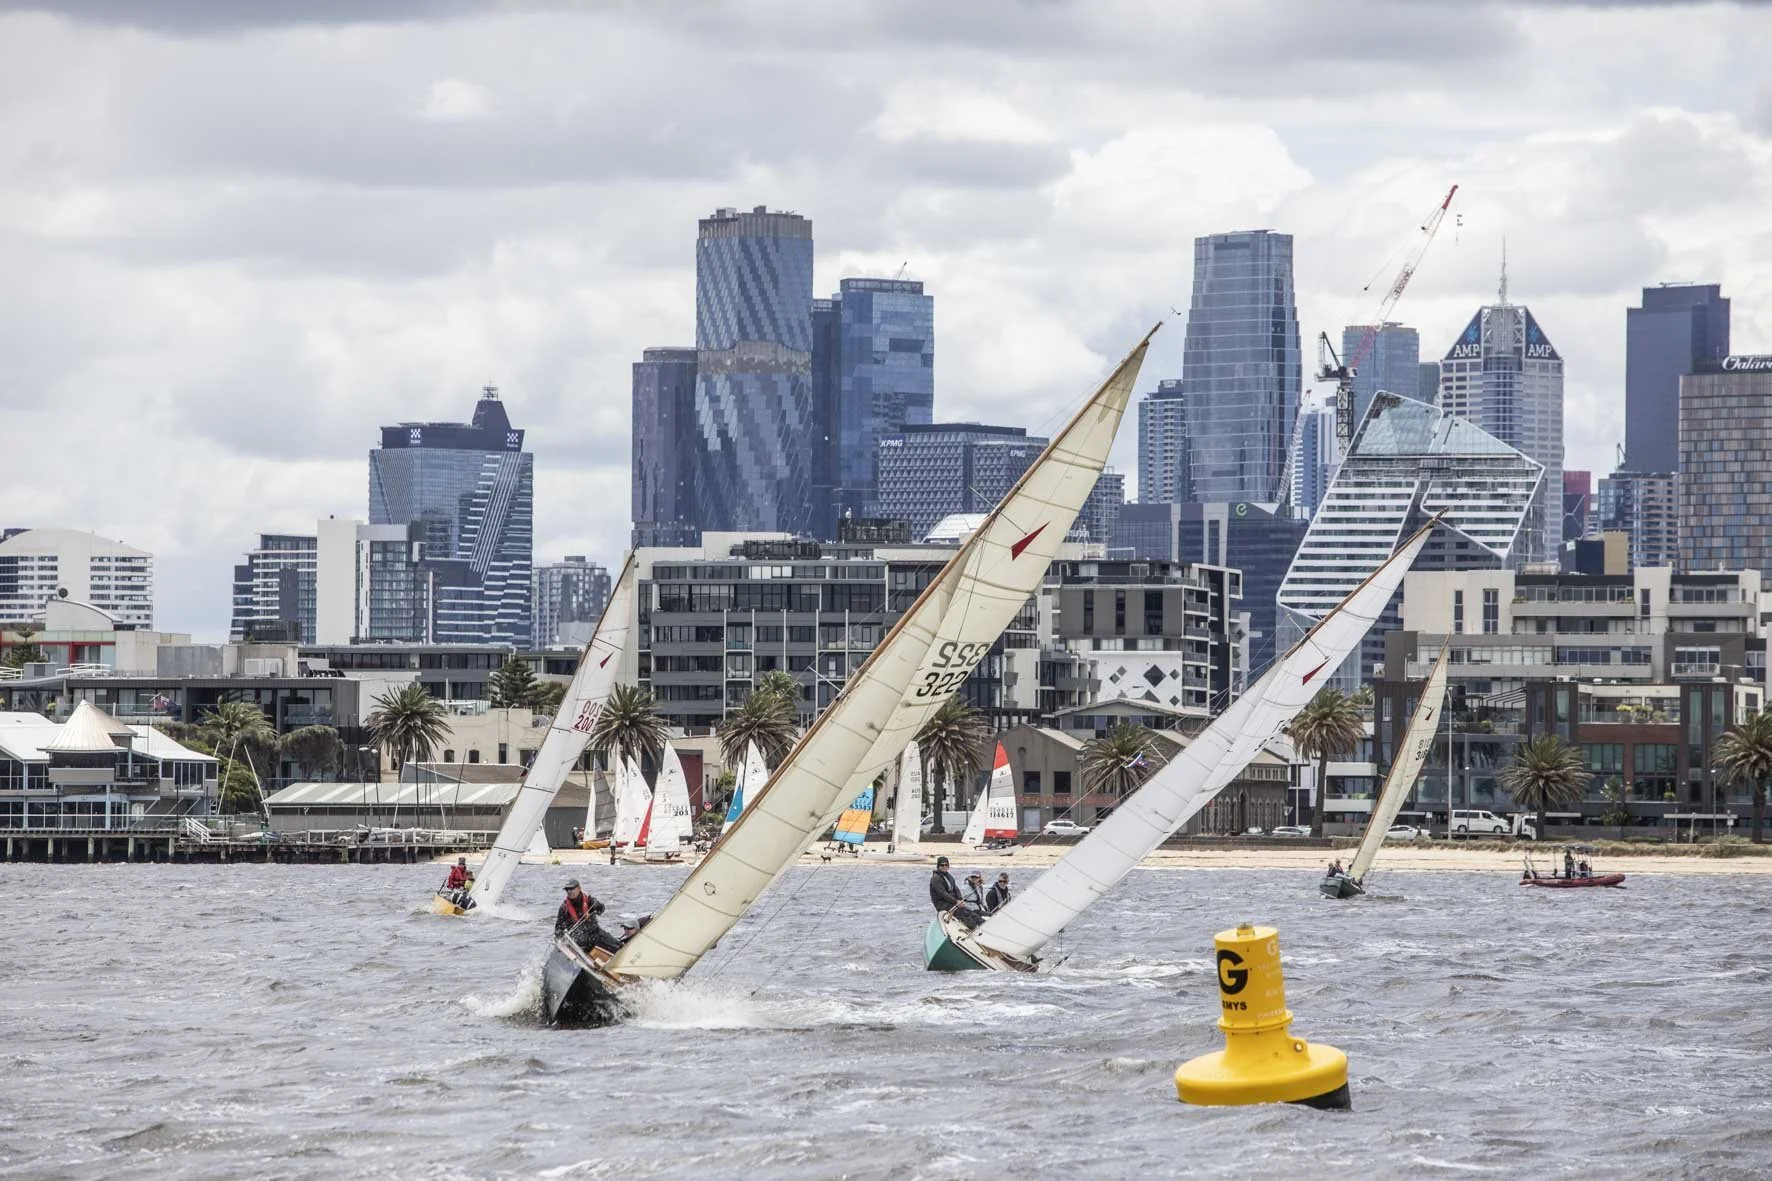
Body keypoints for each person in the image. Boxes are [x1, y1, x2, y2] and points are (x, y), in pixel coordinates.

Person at [555, 879, 621, 954]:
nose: (569, 891)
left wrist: (598, 906)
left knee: (618, 945)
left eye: (571, 888)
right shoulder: (564, 908)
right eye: (567, 889)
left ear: (579, 888)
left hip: (596, 931)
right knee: (605, 944)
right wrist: (562, 942)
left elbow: (601, 910)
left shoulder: (589, 900)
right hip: (580, 940)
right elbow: (558, 930)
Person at [928, 856, 982, 930]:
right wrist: (956, 901)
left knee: (969, 912)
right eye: (942, 865)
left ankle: (981, 924)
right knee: (962, 913)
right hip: (942, 904)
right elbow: (943, 893)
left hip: (952, 902)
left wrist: (960, 899)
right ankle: (972, 927)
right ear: (938, 866)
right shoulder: (935, 878)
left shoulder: (949, 876)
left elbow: (956, 889)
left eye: (946, 865)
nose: (944, 867)